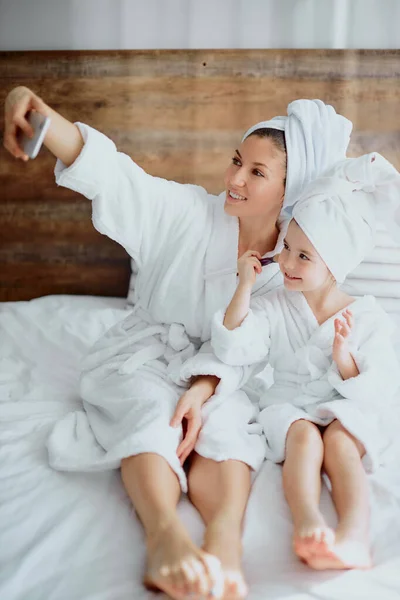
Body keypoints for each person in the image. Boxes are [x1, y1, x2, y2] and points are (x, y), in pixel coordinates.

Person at [4, 86, 352, 600]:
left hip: (232, 372)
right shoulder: (187, 211)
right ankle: (164, 537)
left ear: (290, 187)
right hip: (146, 352)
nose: (233, 179)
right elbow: (115, 177)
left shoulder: (294, 262)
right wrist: (39, 113)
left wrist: (206, 384)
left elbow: (265, 341)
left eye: (256, 172)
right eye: (237, 161)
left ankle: (223, 543)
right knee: (150, 411)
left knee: (232, 428)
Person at [176, 152, 400, 574]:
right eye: (286, 250)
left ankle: (354, 535)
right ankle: (308, 522)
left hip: (347, 405)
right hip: (291, 403)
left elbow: (381, 384)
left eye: (303, 257)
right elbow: (235, 346)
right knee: (302, 436)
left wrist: (345, 361)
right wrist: (244, 286)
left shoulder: (367, 316)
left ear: (336, 266)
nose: (286, 263)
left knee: (338, 442)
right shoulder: (279, 305)